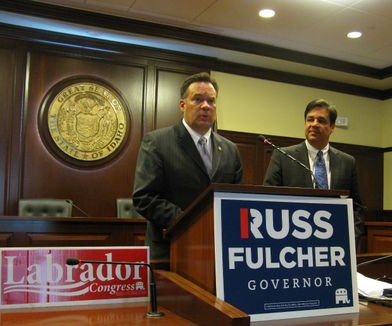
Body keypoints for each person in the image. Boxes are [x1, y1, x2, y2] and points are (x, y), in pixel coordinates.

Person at [133, 72, 243, 260]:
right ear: (182, 105)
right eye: (198, 99)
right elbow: (144, 197)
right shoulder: (157, 142)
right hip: (171, 249)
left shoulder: (230, 149)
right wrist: (191, 221)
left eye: (211, 101)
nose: (206, 106)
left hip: (219, 251)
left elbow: (237, 199)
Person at [264, 99, 364, 246]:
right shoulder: (283, 156)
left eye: (321, 120)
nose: (314, 124)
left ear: (332, 127)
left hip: (336, 243)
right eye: (310, 119)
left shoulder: (347, 162)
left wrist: (352, 237)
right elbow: (267, 199)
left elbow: (357, 206)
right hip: (292, 242)